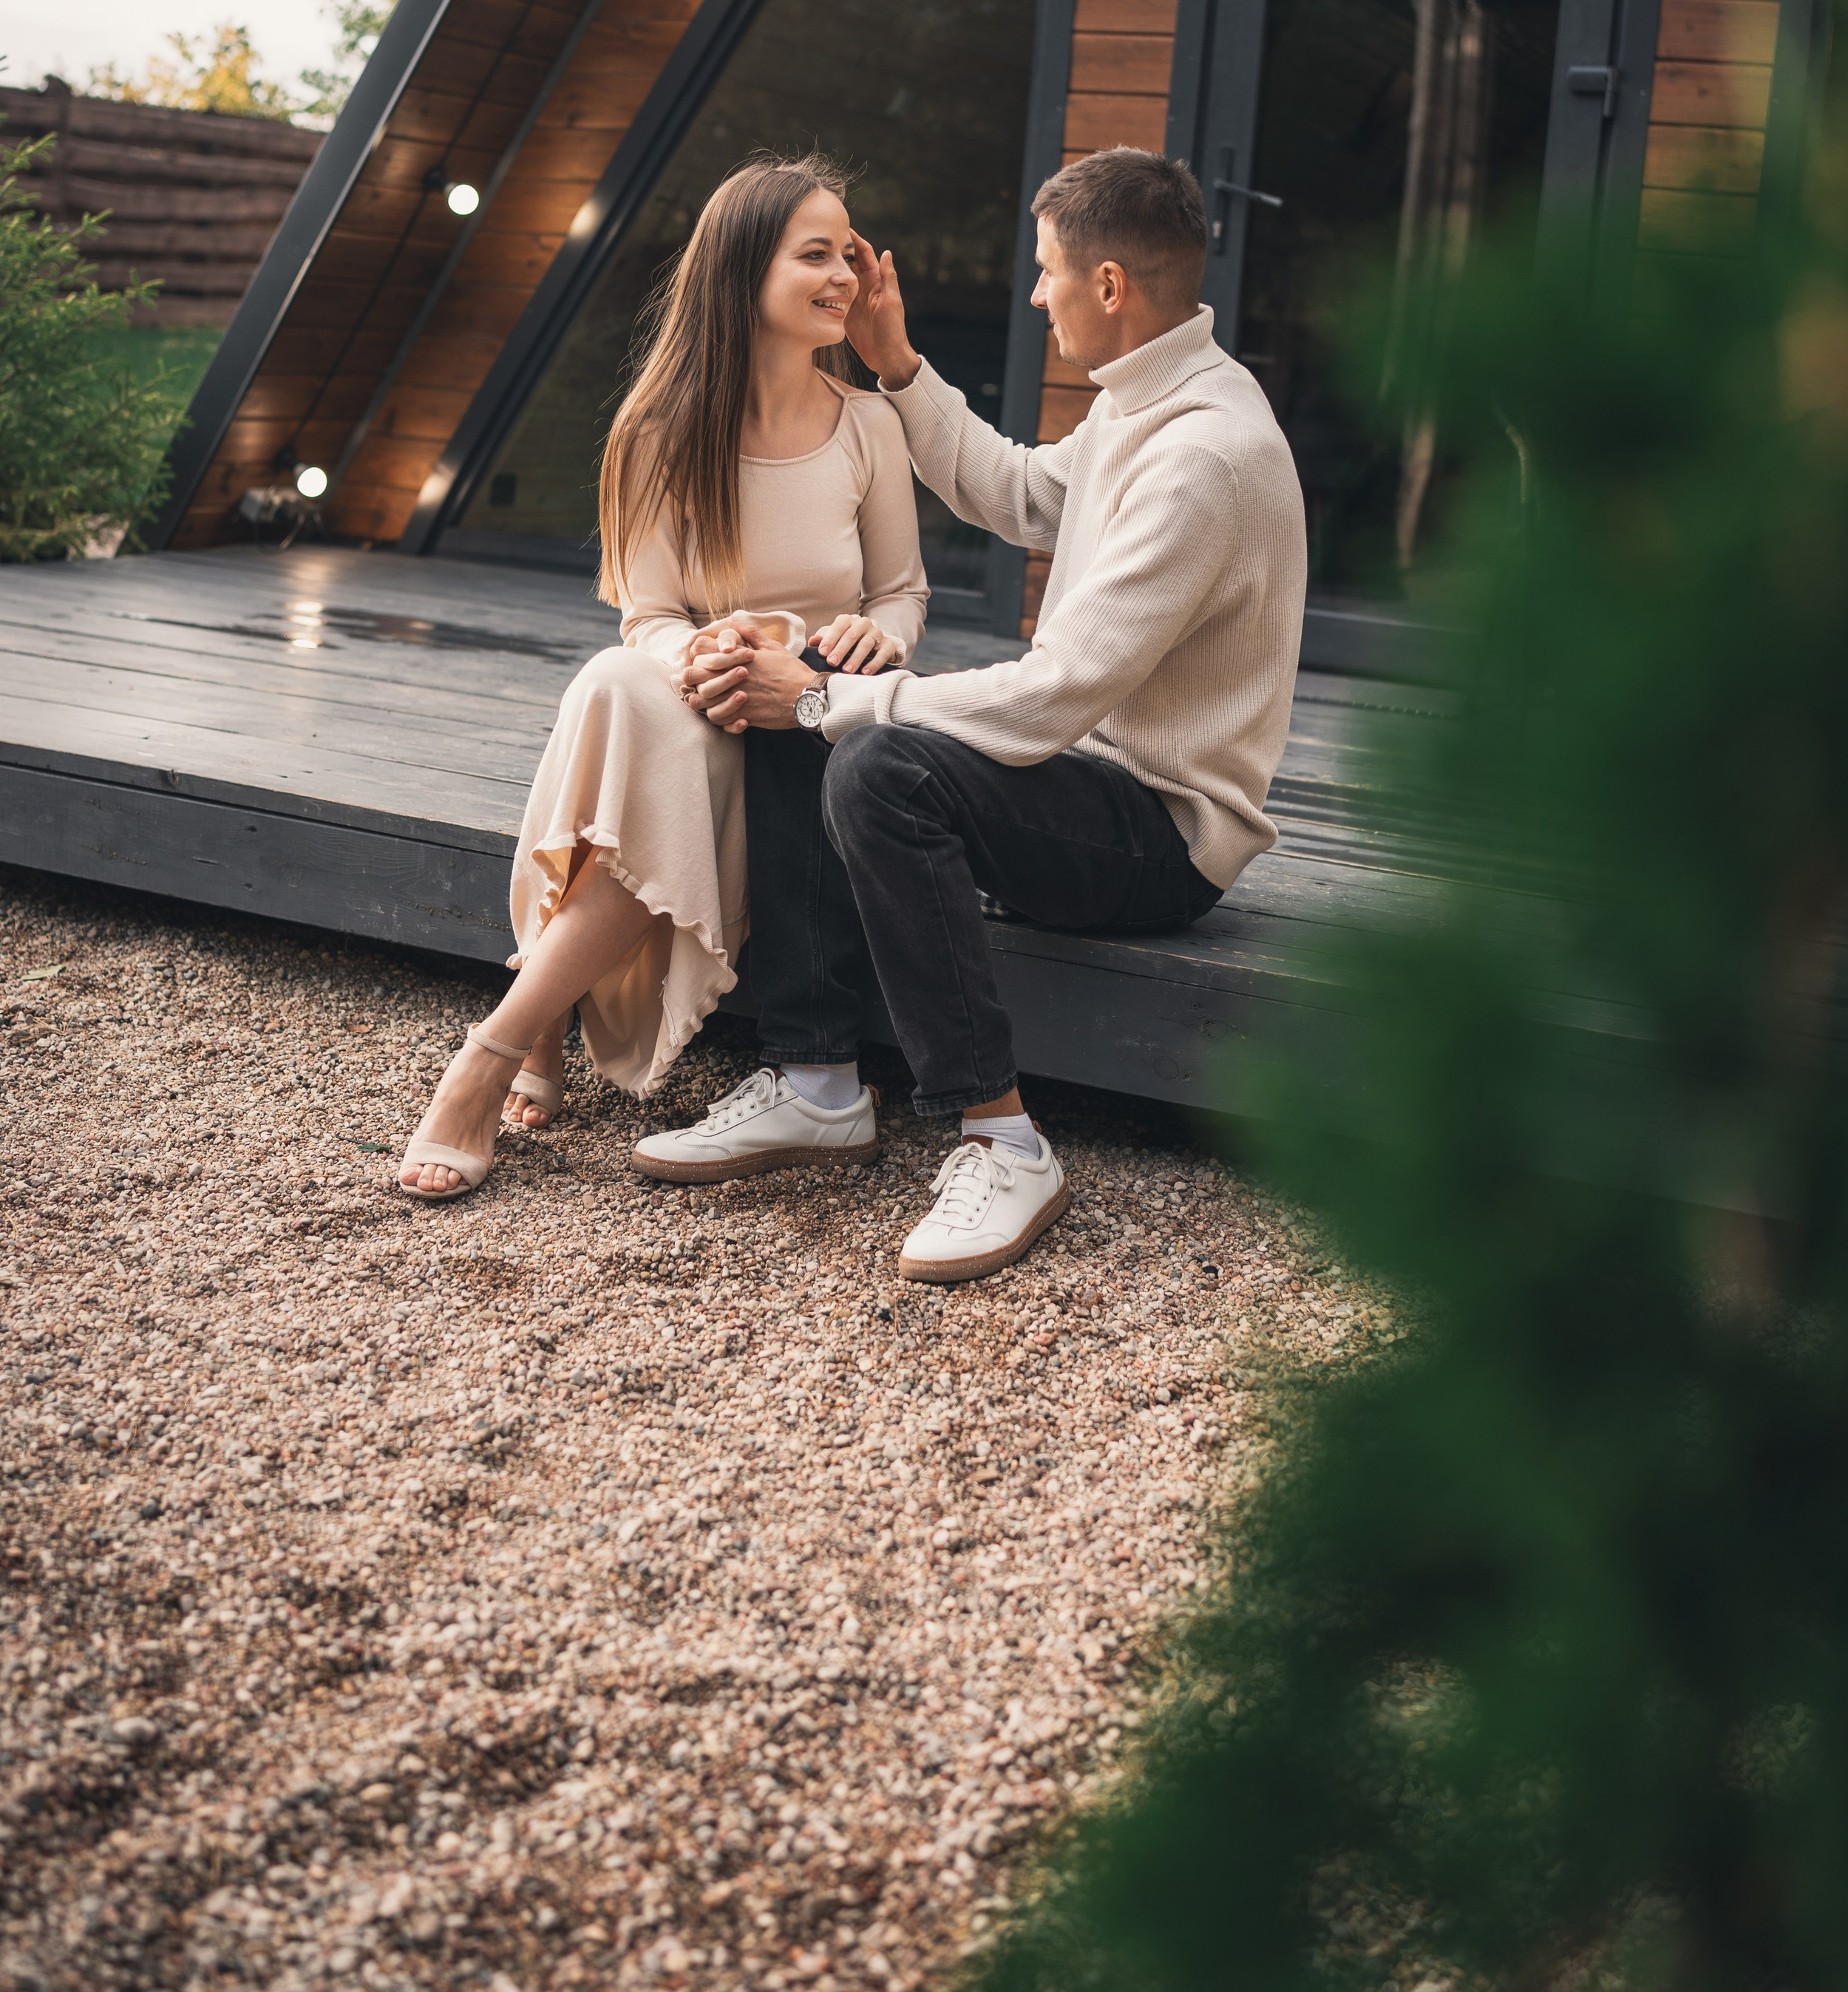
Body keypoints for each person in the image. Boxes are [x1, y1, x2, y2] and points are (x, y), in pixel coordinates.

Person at [635, 146, 1307, 1284]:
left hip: (1161, 836)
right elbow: (1022, 494)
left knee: (869, 750)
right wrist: (897, 365)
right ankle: (816, 1082)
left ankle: (1003, 1140)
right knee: (827, 697)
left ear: (1108, 286)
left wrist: (830, 698)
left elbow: (1056, 695)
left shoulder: (1205, 454)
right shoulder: (1150, 402)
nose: (1035, 295)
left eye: (1046, 273)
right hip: (1089, 785)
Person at [397, 152, 926, 1199]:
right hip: (692, 694)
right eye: (813, 254)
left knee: (624, 710)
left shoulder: (870, 425)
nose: (843, 277)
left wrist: (878, 640)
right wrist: (701, 652)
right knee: (612, 680)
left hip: (805, 714)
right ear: (740, 272)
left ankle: (508, 1035)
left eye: (849, 255)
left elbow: (903, 592)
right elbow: (644, 617)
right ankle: (518, 1033)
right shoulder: (656, 430)